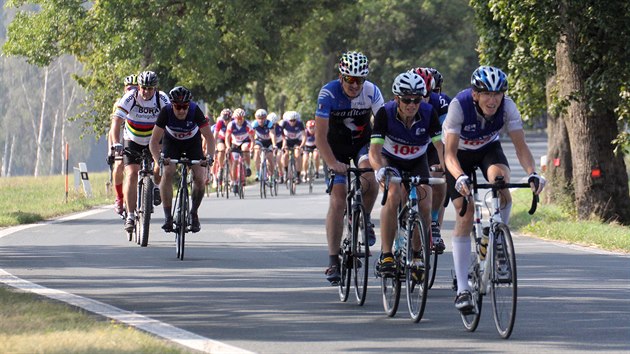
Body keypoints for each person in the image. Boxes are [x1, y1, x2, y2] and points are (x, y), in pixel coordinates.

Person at [444, 65, 546, 313]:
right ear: (475, 94)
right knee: (465, 214)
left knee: (501, 184)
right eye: (486, 94)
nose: (493, 100)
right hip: (459, 156)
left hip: (488, 149)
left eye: (498, 94)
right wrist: (458, 177)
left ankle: (496, 238)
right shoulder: (459, 106)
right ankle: (462, 290)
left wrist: (533, 172)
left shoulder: (508, 107)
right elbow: (448, 154)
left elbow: (521, 147)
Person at [315, 51, 384, 284]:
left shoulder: (372, 92)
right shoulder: (328, 93)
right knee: (338, 198)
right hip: (334, 148)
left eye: (359, 80)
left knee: (370, 178)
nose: (355, 85)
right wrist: (333, 163)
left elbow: (384, 125)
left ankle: (363, 218)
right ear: (341, 77)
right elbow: (320, 137)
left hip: (362, 145)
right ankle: (333, 260)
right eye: (350, 79)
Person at [369, 71, 443, 279]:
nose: (412, 104)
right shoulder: (384, 113)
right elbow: (374, 151)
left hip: (418, 160)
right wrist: (378, 169)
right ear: (396, 99)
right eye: (406, 100)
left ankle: (417, 254)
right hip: (391, 160)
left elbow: (440, 146)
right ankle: (386, 254)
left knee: (426, 204)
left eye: (417, 100)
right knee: (393, 196)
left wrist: (445, 167)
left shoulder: (429, 113)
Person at [109, 70, 170, 232]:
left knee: (160, 163)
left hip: (154, 139)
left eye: (150, 88)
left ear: (155, 88)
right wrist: (116, 143)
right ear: (139, 86)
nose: (146, 91)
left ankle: (155, 185)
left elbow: (171, 120)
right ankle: (130, 215)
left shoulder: (162, 98)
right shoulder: (130, 97)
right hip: (132, 139)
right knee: (131, 173)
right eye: (143, 87)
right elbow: (116, 122)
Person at [150, 86, 214, 233]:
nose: (181, 111)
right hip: (171, 143)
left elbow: (209, 138)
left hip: (193, 143)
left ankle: (194, 213)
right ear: (172, 105)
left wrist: (209, 158)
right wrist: (158, 159)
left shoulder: (195, 110)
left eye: (184, 107)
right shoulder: (165, 112)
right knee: (168, 171)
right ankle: (168, 217)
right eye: (178, 107)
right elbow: (153, 141)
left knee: (199, 177)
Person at [410, 67, 450, 254]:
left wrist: (447, 164)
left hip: (434, 146)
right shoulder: (401, 103)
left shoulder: (442, 104)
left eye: (426, 95)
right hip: (411, 147)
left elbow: (448, 138)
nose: (421, 101)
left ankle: (433, 223)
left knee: (438, 177)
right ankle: (400, 236)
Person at [107, 74, 138, 216]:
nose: (132, 90)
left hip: (139, 137)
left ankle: (149, 191)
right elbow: (113, 129)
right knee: (118, 166)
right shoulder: (120, 103)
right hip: (124, 138)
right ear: (125, 89)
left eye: (135, 88)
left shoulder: (143, 102)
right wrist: (111, 150)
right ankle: (119, 197)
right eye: (129, 88)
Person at [225, 108, 255, 194]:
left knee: (245, 148)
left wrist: (252, 147)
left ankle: (248, 166)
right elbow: (227, 137)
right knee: (234, 163)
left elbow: (252, 139)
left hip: (245, 142)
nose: (240, 120)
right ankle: (234, 182)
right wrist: (227, 147)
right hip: (235, 144)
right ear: (235, 118)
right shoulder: (231, 125)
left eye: (242, 118)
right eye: (238, 118)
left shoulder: (247, 125)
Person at [251, 108, 277, 182]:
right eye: (259, 118)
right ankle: (258, 172)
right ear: (256, 118)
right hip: (259, 141)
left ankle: (271, 176)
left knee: (270, 158)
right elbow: (252, 136)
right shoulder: (254, 124)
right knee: (256, 152)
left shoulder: (269, 123)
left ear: (265, 118)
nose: (261, 120)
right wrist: (251, 146)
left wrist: (274, 144)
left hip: (268, 142)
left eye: (263, 118)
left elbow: (272, 134)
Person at [280, 111, 306, 184]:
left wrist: (301, 146)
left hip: (297, 141)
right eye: (291, 121)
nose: (292, 122)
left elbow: (304, 136)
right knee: (285, 155)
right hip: (287, 140)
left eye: (294, 120)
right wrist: (283, 143)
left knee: (297, 155)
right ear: (288, 120)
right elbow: (280, 134)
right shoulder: (284, 123)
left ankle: (298, 175)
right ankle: (285, 172)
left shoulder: (300, 124)